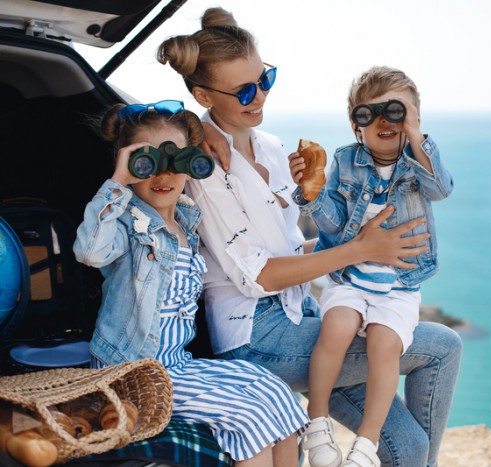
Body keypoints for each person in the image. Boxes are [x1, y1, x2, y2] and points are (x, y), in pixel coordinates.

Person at [157, 7, 462, 467]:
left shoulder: (275, 148)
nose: (258, 96)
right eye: (242, 90)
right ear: (203, 94)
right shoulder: (204, 168)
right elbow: (257, 275)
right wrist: (360, 248)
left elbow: (291, 244)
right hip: (255, 335)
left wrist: (369, 251)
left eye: (265, 80)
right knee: (443, 345)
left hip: (305, 316)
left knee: (408, 448)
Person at [73, 100, 308, 467]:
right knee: (249, 415)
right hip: (135, 372)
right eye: (147, 162)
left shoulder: (186, 221)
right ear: (128, 163)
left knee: (277, 395)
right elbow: (89, 251)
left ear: (190, 166)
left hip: (177, 364)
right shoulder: (127, 224)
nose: (162, 176)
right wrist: (117, 182)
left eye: (176, 161)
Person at [287, 66, 453, 466]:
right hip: (351, 276)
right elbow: (333, 223)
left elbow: (441, 189)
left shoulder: (417, 164)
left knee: (384, 345)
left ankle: (367, 442)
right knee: (337, 327)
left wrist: (417, 136)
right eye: (369, 114)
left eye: (395, 111)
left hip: (399, 284)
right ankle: (318, 422)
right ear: (355, 124)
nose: (383, 121)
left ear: (412, 118)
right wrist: (309, 194)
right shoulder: (345, 161)